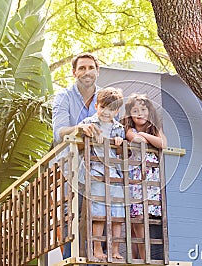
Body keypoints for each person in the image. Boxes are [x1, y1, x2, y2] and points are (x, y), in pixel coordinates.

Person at [52, 52, 102, 259]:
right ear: (74, 73)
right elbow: (59, 131)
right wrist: (80, 128)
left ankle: (95, 258)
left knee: (98, 210)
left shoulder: (105, 97)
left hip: (99, 164)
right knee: (69, 211)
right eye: (82, 68)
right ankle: (70, 258)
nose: (87, 72)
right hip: (69, 165)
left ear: (97, 71)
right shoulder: (64, 96)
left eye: (91, 67)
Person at [79, 87, 125, 260]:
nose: (107, 112)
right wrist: (89, 134)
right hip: (96, 173)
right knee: (98, 213)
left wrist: (119, 143)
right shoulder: (89, 123)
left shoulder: (118, 128)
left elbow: (120, 152)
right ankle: (97, 249)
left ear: (117, 110)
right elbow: (79, 139)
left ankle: (115, 250)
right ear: (97, 105)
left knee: (117, 214)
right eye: (104, 107)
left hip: (115, 174)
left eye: (112, 109)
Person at [121, 93, 167, 260]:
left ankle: (143, 257)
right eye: (135, 110)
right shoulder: (129, 130)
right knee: (137, 218)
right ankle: (141, 258)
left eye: (143, 109)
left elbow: (163, 143)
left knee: (147, 217)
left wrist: (148, 136)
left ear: (149, 112)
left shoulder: (154, 128)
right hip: (135, 180)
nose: (140, 113)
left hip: (151, 181)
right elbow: (136, 140)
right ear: (130, 114)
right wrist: (149, 138)